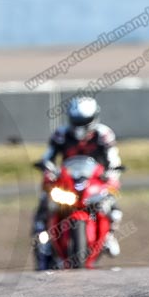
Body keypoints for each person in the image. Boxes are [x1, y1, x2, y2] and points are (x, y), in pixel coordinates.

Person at [34, 96, 123, 256]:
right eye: (76, 121)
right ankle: (42, 235)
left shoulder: (103, 135)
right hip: (67, 181)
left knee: (111, 196)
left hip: (95, 181)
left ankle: (109, 234)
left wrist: (111, 173)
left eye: (84, 121)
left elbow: (113, 159)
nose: (79, 127)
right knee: (45, 196)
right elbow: (48, 157)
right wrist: (47, 168)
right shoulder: (61, 134)